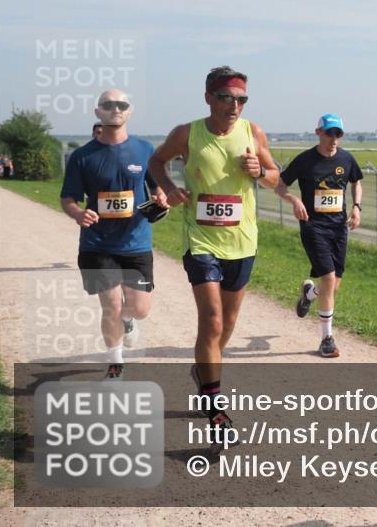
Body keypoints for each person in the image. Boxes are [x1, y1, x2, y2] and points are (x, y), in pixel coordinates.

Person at [148, 66, 279, 437]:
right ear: (208, 97)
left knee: (229, 324)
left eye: (241, 99)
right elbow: (156, 162)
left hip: (242, 241)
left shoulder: (253, 133)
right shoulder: (186, 134)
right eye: (226, 98)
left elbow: (275, 178)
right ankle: (215, 411)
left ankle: (204, 370)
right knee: (213, 320)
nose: (234, 106)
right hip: (201, 239)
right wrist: (170, 189)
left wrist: (259, 172)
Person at [60, 89, 167, 379]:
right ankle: (116, 365)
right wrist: (78, 213)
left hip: (136, 242)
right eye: (108, 105)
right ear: (98, 112)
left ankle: (130, 321)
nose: (115, 109)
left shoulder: (145, 150)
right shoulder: (82, 156)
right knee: (111, 304)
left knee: (139, 308)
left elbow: (158, 186)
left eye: (121, 105)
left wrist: (161, 197)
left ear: (129, 112)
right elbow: (68, 198)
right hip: (97, 243)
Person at [276, 114, 363, 358]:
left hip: (338, 227)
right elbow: (280, 185)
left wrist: (357, 206)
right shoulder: (305, 160)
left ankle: (309, 294)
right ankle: (327, 338)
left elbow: (356, 181)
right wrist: (293, 200)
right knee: (328, 276)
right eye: (329, 133)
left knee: (334, 285)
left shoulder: (346, 159)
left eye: (338, 134)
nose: (333, 138)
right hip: (313, 226)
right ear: (318, 133)